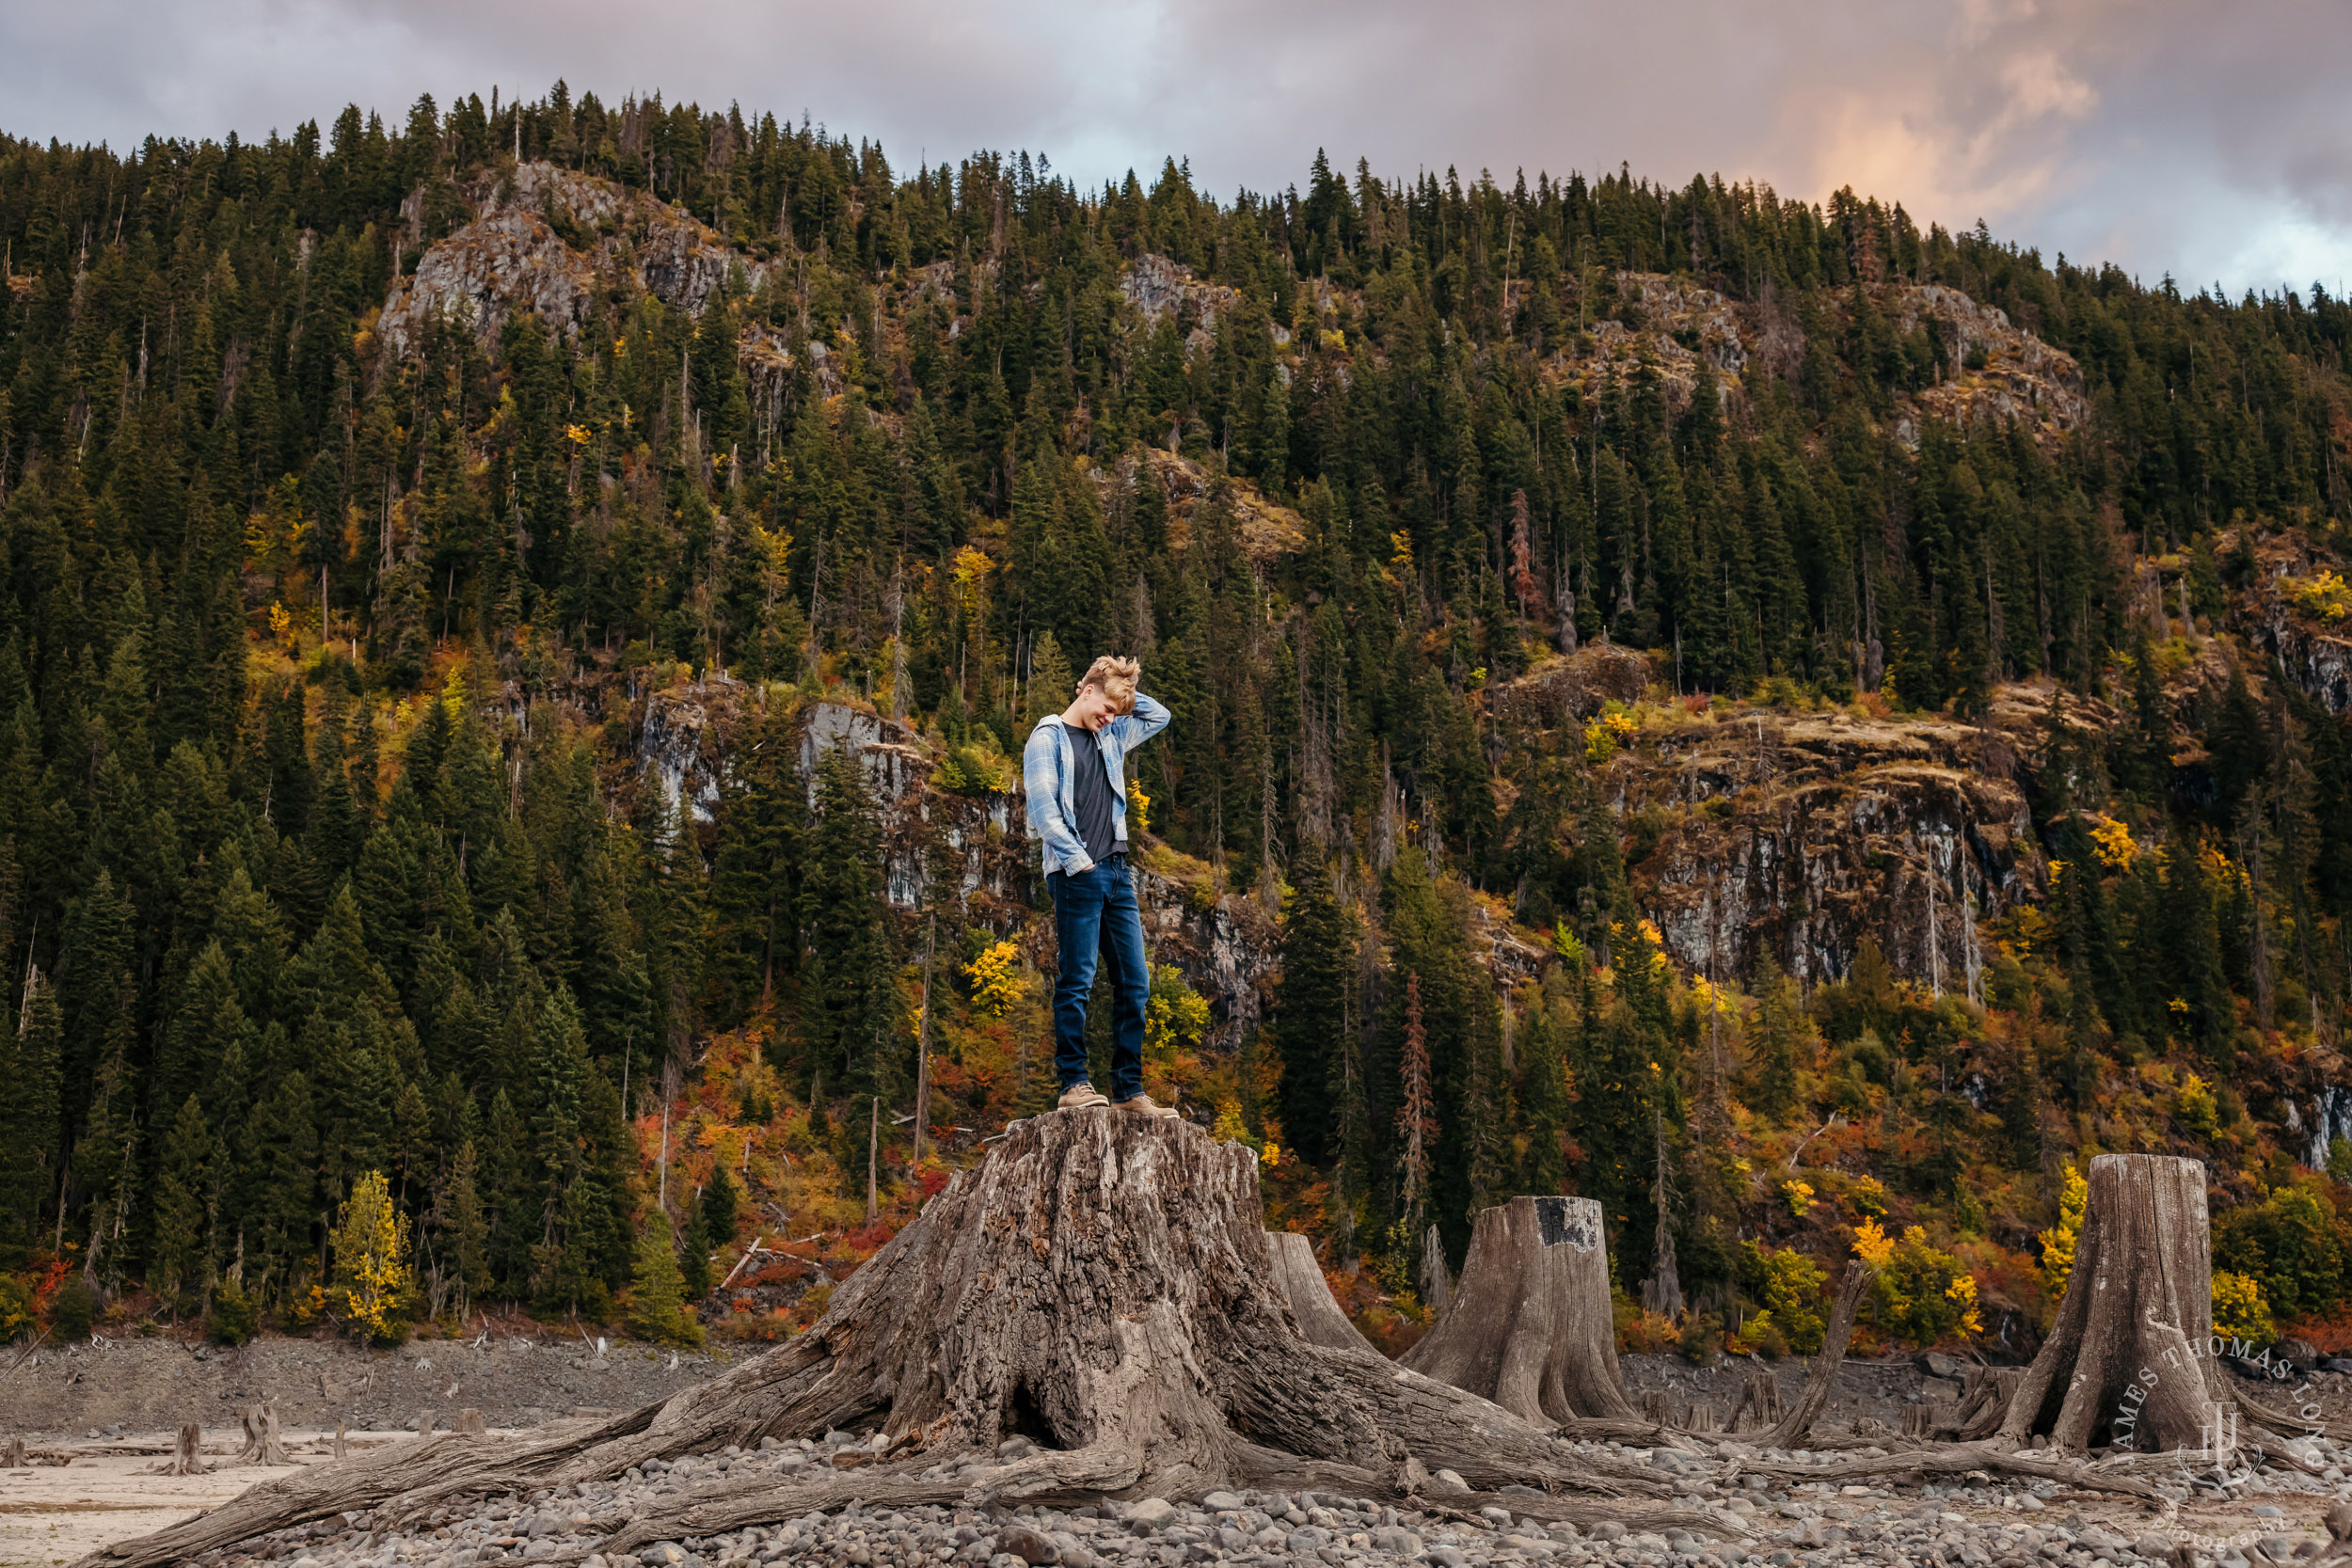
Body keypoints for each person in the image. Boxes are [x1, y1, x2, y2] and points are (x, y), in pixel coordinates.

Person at [1022, 654, 1178, 1117]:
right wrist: (1081, 864)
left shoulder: (1111, 733)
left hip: (1118, 872)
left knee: (1135, 982)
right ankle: (1074, 1083)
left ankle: (1129, 1090)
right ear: (1085, 690)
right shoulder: (1047, 738)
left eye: (1115, 713)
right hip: (1077, 874)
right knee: (1078, 980)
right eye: (1105, 708)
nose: (1109, 718)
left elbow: (1159, 716)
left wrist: (1124, 686)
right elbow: (1044, 814)